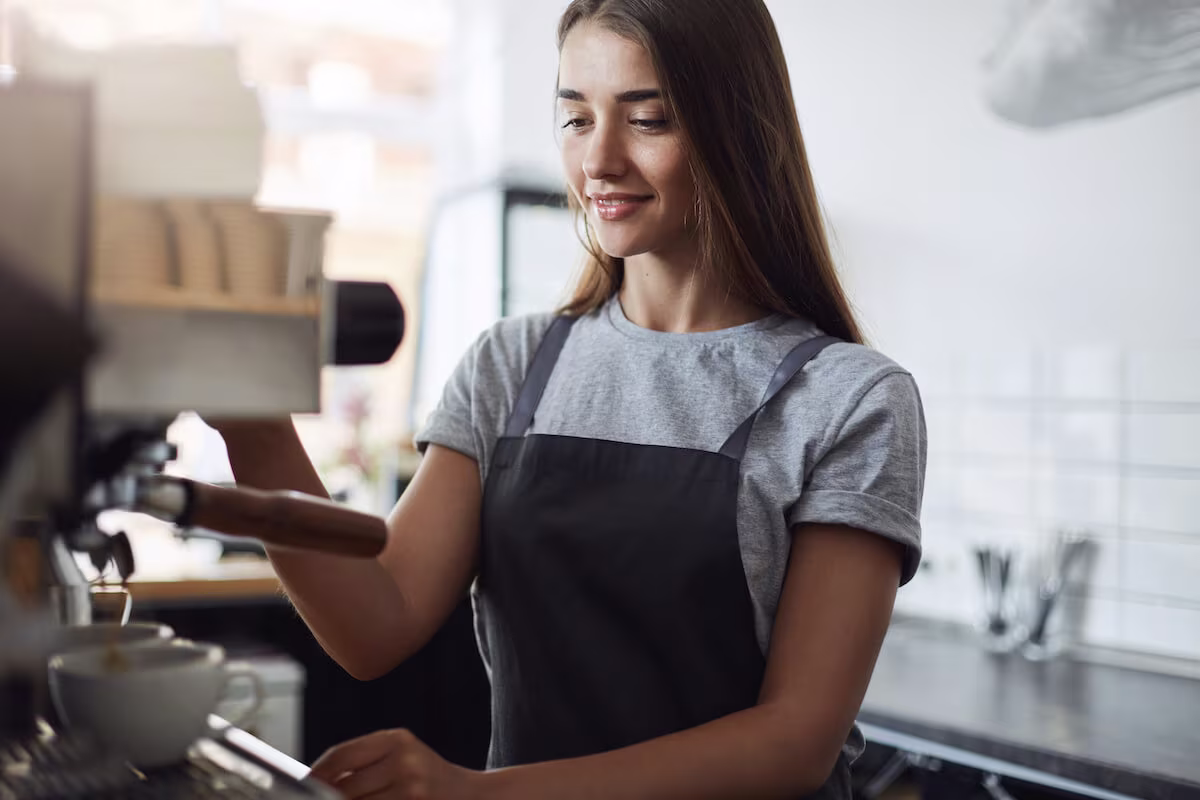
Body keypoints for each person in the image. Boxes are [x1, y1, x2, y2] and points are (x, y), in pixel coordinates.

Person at [216, 1, 926, 797]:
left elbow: (794, 743)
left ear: (738, 130)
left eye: (648, 120)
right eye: (576, 118)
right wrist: (251, 423)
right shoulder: (513, 366)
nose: (600, 160)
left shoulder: (848, 400)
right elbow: (374, 622)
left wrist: (476, 795)